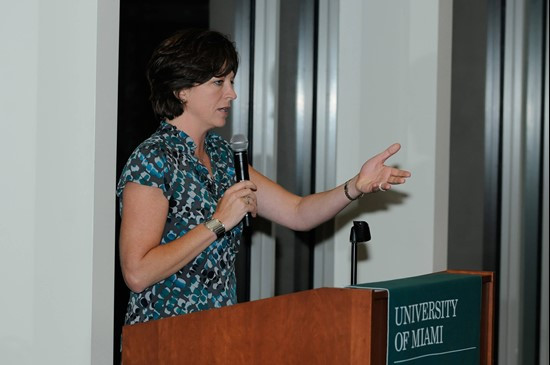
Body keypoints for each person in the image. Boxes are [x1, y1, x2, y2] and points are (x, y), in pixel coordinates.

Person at [116, 28, 411, 325]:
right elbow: (137, 273)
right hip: (161, 340)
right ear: (182, 90)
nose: (231, 93)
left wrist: (355, 186)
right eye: (218, 82)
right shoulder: (153, 159)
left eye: (231, 81)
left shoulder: (221, 154)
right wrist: (218, 222)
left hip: (219, 334)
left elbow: (298, 213)